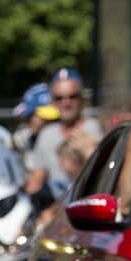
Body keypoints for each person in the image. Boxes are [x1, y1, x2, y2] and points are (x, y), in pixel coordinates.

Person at [28, 69, 103, 200]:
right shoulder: (47, 134)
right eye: (59, 98)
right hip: (56, 210)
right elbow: (36, 181)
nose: (66, 103)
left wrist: (90, 151)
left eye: (72, 96)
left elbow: (103, 177)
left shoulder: (93, 128)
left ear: (82, 99)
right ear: (52, 101)